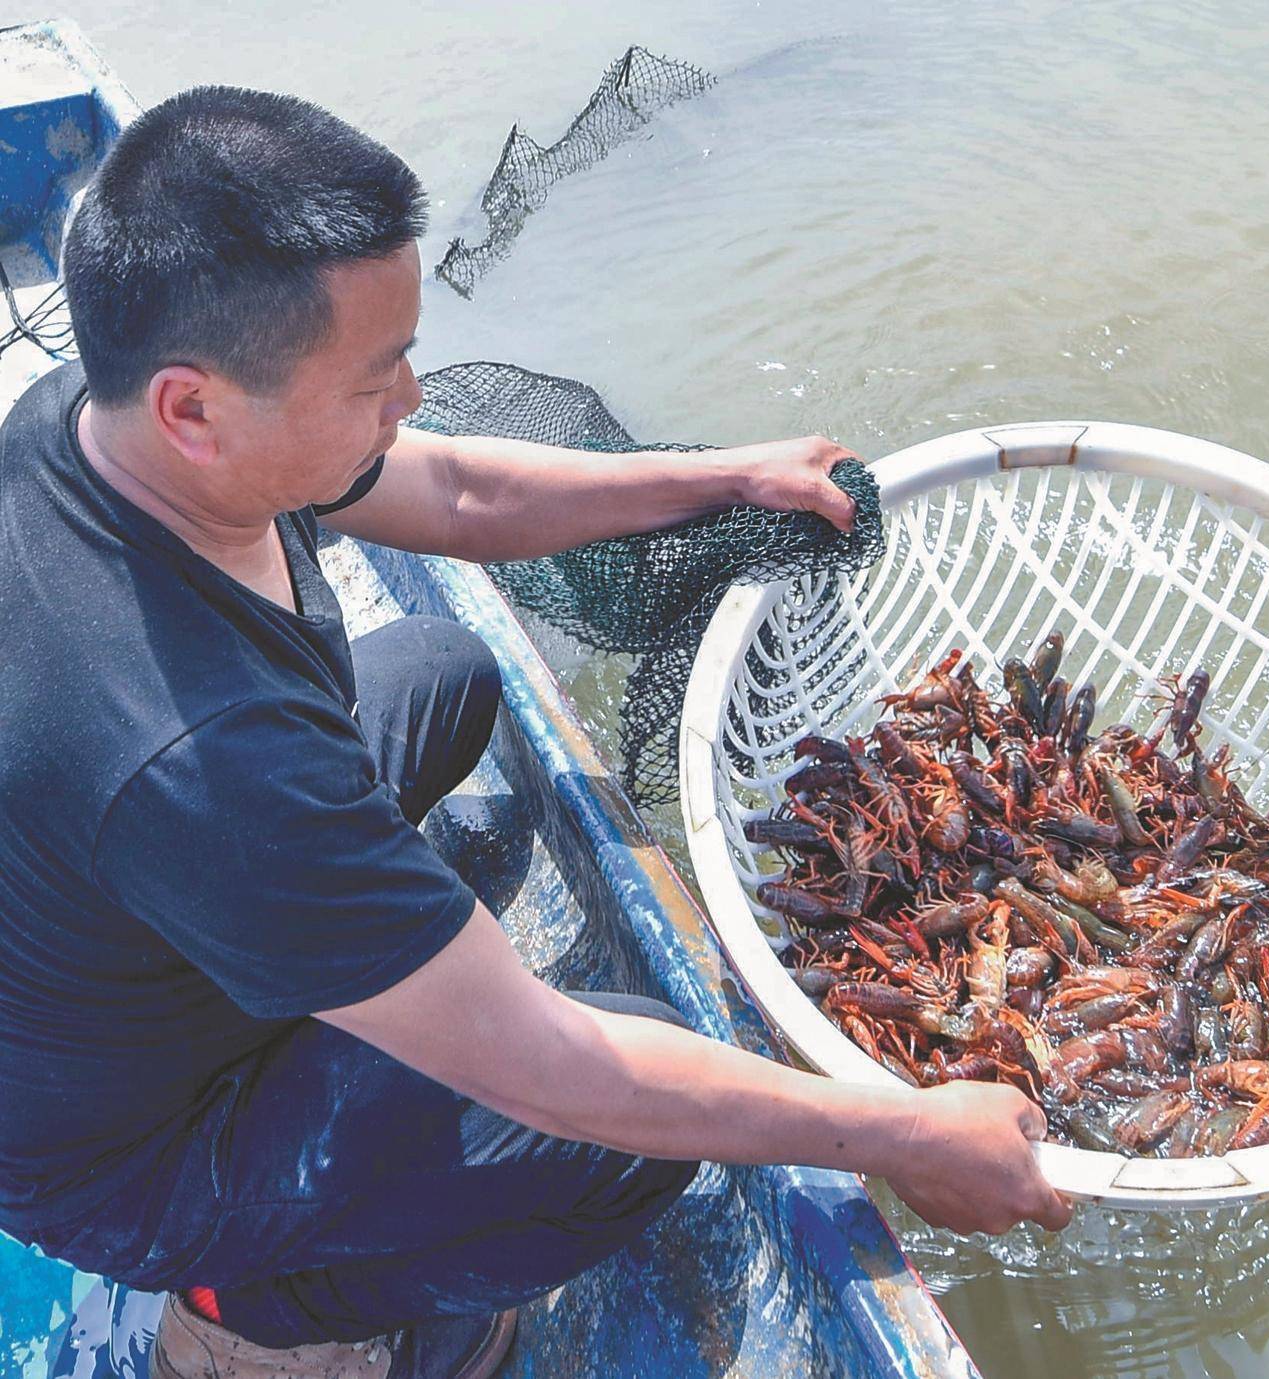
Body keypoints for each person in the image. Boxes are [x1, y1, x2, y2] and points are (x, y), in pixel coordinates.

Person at [0, 87, 1070, 1379]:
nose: (409, 393)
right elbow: (554, 1067)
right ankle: (260, 1322)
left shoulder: (94, 413)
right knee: (632, 1122)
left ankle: (328, 983)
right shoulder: (216, 765)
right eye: (372, 373)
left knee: (449, 675)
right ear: (194, 408)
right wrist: (902, 1133)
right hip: (138, 1151)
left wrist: (728, 476)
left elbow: (451, 486)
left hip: (148, 909)